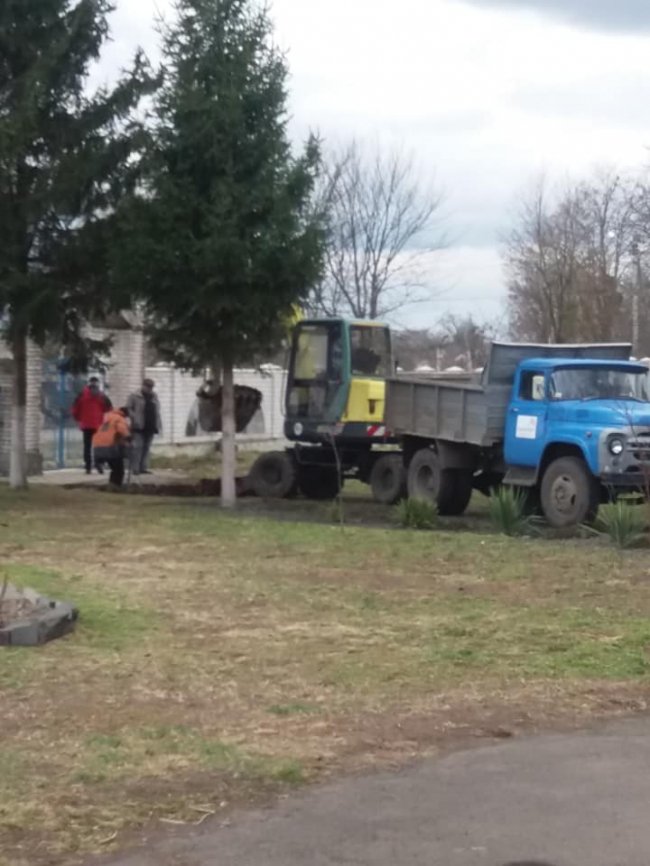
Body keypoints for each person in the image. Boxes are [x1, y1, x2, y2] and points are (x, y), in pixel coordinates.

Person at [71, 377, 112, 474]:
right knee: (98, 446)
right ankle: (99, 464)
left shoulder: (81, 395)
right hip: (98, 425)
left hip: (86, 425)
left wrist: (79, 419)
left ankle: (88, 466)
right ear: (97, 384)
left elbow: (75, 409)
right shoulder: (102, 396)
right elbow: (109, 408)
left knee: (87, 446)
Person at [127, 379, 162, 475]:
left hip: (151, 425)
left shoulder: (154, 396)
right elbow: (129, 408)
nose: (149, 389)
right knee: (137, 447)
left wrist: (158, 424)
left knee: (146, 447)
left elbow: (157, 410)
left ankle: (143, 467)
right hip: (139, 426)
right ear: (143, 386)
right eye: (147, 386)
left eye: (151, 387)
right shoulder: (134, 395)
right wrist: (134, 417)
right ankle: (135, 468)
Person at [92, 407, 131, 487]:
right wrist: (128, 437)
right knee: (118, 469)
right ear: (125, 414)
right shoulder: (119, 418)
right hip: (110, 446)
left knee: (114, 467)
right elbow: (122, 430)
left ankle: (99, 462)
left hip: (97, 446)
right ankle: (115, 486)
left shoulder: (105, 417)